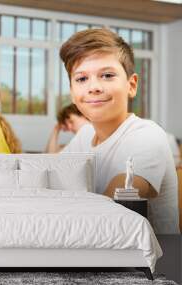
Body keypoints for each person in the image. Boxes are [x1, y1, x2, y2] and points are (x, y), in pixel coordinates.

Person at [59, 28, 179, 234]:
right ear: (72, 92)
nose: (93, 87)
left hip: (152, 261)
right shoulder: (84, 136)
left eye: (107, 75)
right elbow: (48, 178)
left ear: (131, 85)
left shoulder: (147, 135)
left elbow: (109, 209)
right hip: (99, 254)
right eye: (81, 79)